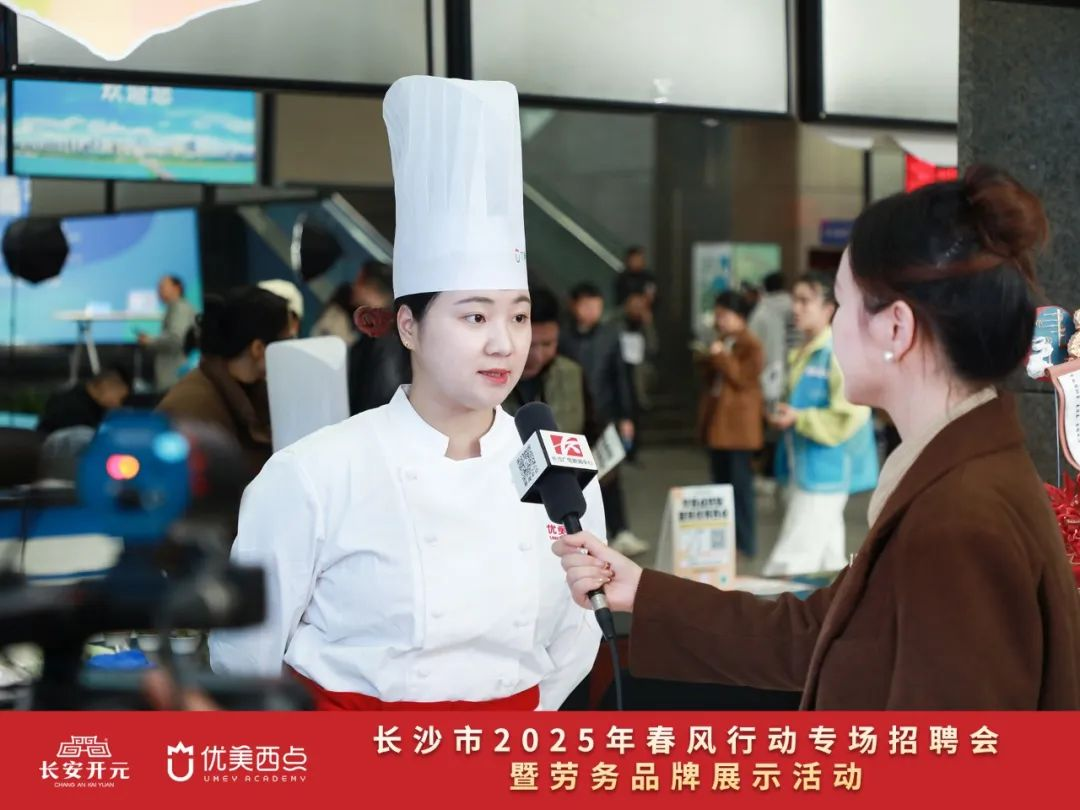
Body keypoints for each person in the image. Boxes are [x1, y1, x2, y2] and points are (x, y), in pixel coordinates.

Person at [552, 166, 1080, 709]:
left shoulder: (959, 520)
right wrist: (644, 592)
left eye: (842, 304)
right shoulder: (954, 477)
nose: (833, 325)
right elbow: (818, 632)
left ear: (896, 328)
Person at [209, 76, 604, 712]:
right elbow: (242, 656)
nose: (503, 343)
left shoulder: (561, 470)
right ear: (409, 327)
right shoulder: (315, 473)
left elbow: (578, 632)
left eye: (519, 316)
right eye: (474, 316)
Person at [761, 271, 877, 576]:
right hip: (803, 467)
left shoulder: (836, 354)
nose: (796, 308)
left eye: (805, 301)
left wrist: (799, 418)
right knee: (827, 564)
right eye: (794, 300)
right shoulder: (803, 353)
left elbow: (852, 413)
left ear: (828, 309)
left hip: (826, 473)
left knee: (790, 564)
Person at [156, 286, 291, 484]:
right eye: (287, 341)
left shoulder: (250, 390)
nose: (291, 350)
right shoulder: (194, 408)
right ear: (258, 348)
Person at [561, 282, 649, 557]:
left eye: (597, 306)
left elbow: (621, 378)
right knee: (572, 478)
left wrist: (626, 416)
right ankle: (579, 533)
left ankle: (621, 531)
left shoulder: (611, 336)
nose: (592, 311)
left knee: (609, 476)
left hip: (603, 416)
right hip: (571, 419)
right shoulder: (562, 338)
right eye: (587, 305)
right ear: (574, 305)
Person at [696, 290, 764, 558]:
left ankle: (745, 544)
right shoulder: (723, 341)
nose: (719, 321)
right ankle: (725, 541)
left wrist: (721, 356)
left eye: (724, 315)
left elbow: (743, 378)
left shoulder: (751, 344)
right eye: (717, 315)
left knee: (740, 488)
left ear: (740, 316)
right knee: (720, 487)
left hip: (738, 429)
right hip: (718, 426)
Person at [504, 285, 595, 437]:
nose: (537, 356)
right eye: (530, 344)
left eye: (547, 344)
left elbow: (592, 432)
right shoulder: (488, 378)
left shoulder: (571, 373)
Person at [347, 262, 402, 414]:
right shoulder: (391, 331)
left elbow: (381, 393)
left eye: (358, 281)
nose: (354, 286)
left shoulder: (385, 337)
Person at [138, 275, 196, 391]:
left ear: (177, 288)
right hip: (172, 380)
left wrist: (150, 341)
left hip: (174, 380)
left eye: (162, 287)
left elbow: (176, 339)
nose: (159, 291)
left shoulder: (180, 307)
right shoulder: (175, 307)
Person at [36, 366, 131, 435]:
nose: (119, 405)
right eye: (121, 398)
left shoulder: (90, 405)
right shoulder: (73, 408)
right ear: (106, 385)